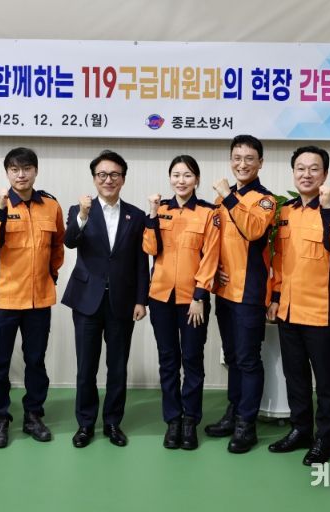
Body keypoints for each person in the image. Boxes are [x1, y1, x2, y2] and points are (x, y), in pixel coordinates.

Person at [266, 146, 330, 466]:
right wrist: (275, 298)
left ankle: (324, 439)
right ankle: (300, 430)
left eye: (314, 169)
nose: (306, 174)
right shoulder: (285, 212)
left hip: (322, 310)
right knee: (296, 376)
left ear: (325, 174)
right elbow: (279, 260)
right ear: (293, 173)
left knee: (326, 381)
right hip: (289, 309)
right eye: (300, 168)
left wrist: (327, 209)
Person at [62, 150, 149, 448]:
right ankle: (85, 424)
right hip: (87, 299)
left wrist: (141, 299)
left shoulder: (136, 216)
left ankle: (113, 422)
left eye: (114, 174)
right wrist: (83, 215)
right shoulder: (79, 210)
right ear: (94, 179)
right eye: (102, 175)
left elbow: (141, 262)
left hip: (122, 302)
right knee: (86, 367)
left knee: (118, 366)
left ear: (123, 179)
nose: (108, 180)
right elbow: (70, 241)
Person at [0, 147, 65, 448]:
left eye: (27, 168)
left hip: (39, 300)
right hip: (4, 299)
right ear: (7, 173)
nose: (21, 175)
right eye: (15, 169)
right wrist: (2, 209)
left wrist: (50, 275)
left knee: (35, 361)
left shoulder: (51, 205)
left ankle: (33, 416)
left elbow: (57, 246)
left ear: (35, 171)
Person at [144, 155, 220, 450]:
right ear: (169, 178)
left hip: (192, 301)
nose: (181, 180)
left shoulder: (208, 213)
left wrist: (200, 296)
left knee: (192, 360)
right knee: (168, 361)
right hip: (161, 297)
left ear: (196, 179)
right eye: (176, 175)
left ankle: (190, 421)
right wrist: (152, 214)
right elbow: (150, 248)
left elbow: (211, 256)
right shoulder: (161, 210)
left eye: (187, 175)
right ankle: (173, 421)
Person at [206, 135, 277, 454]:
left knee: (248, 359)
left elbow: (253, 230)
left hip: (250, 292)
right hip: (224, 291)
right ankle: (234, 413)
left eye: (249, 158)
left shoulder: (265, 200)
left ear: (260, 162)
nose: (242, 164)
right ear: (230, 160)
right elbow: (212, 241)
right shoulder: (223, 199)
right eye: (237, 158)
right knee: (233, 357)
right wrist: (213, 270)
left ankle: (247, 424)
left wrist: (228, 196)